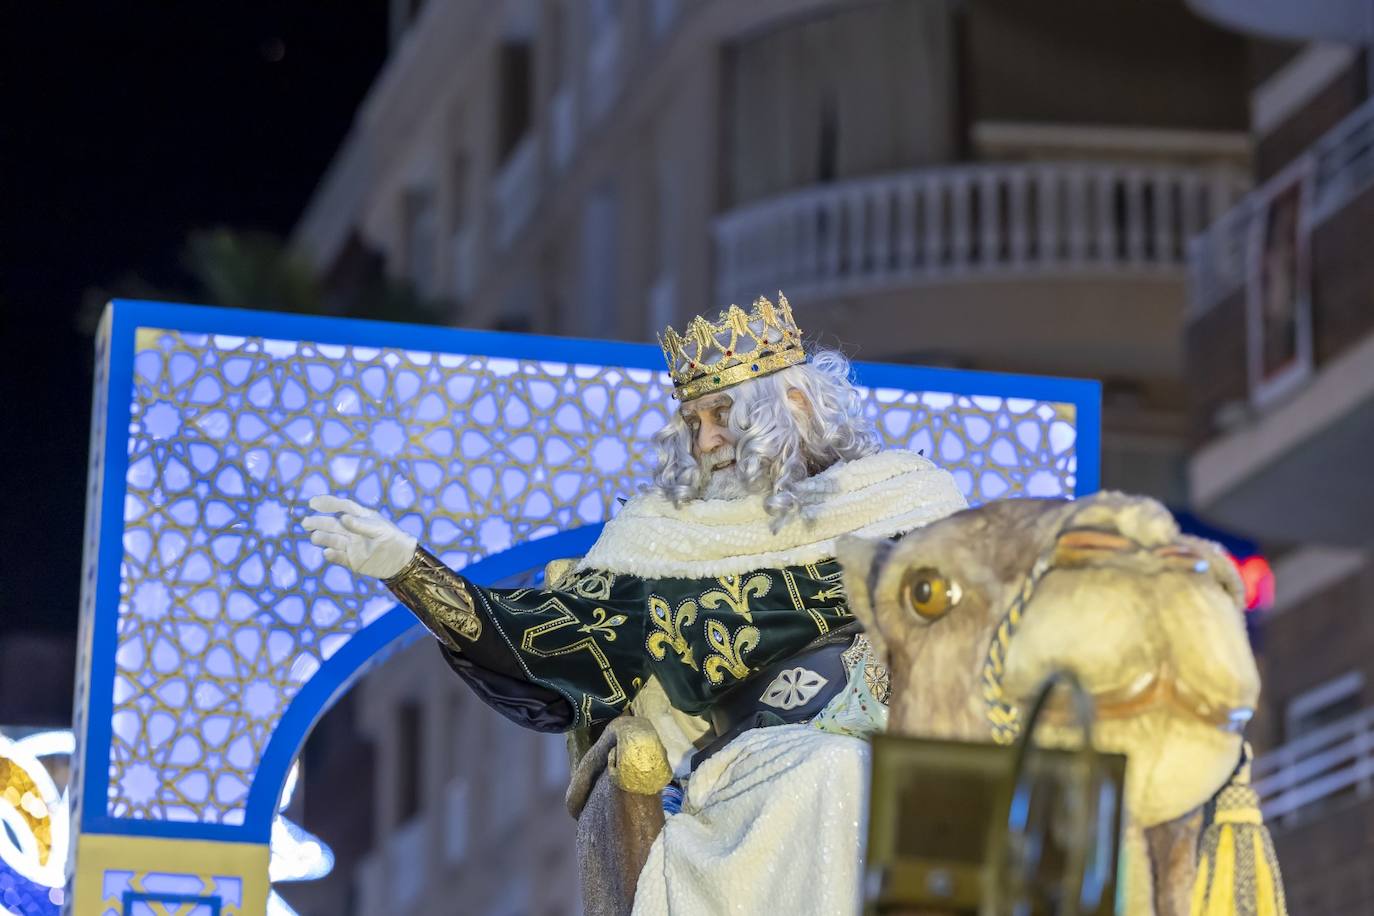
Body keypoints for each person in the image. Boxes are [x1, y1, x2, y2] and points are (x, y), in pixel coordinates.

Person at [303, 294, 966, 913]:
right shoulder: (658, 548)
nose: (705, 442)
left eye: (722, 417)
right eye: (694, 422)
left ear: (791, 405)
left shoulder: (907, 500)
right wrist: (407, 568)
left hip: (921, 741)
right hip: (764, 766)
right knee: (836, 773)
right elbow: (538, 643)